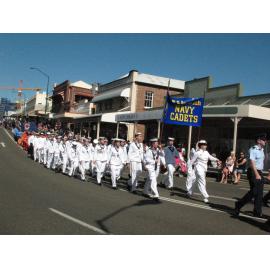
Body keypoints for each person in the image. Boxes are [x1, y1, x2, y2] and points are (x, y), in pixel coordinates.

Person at [234, 133, 267, 217]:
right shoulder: (253, 149)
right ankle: (239, 204)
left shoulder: (262, 150)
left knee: (259, 193)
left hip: (259, 172)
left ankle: (257, 211)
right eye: (263, 139)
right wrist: (256, 174)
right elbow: (252, 163)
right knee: (254, 191)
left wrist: (260, 174)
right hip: (253, 171)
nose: (265, 141)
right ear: (259, 141)